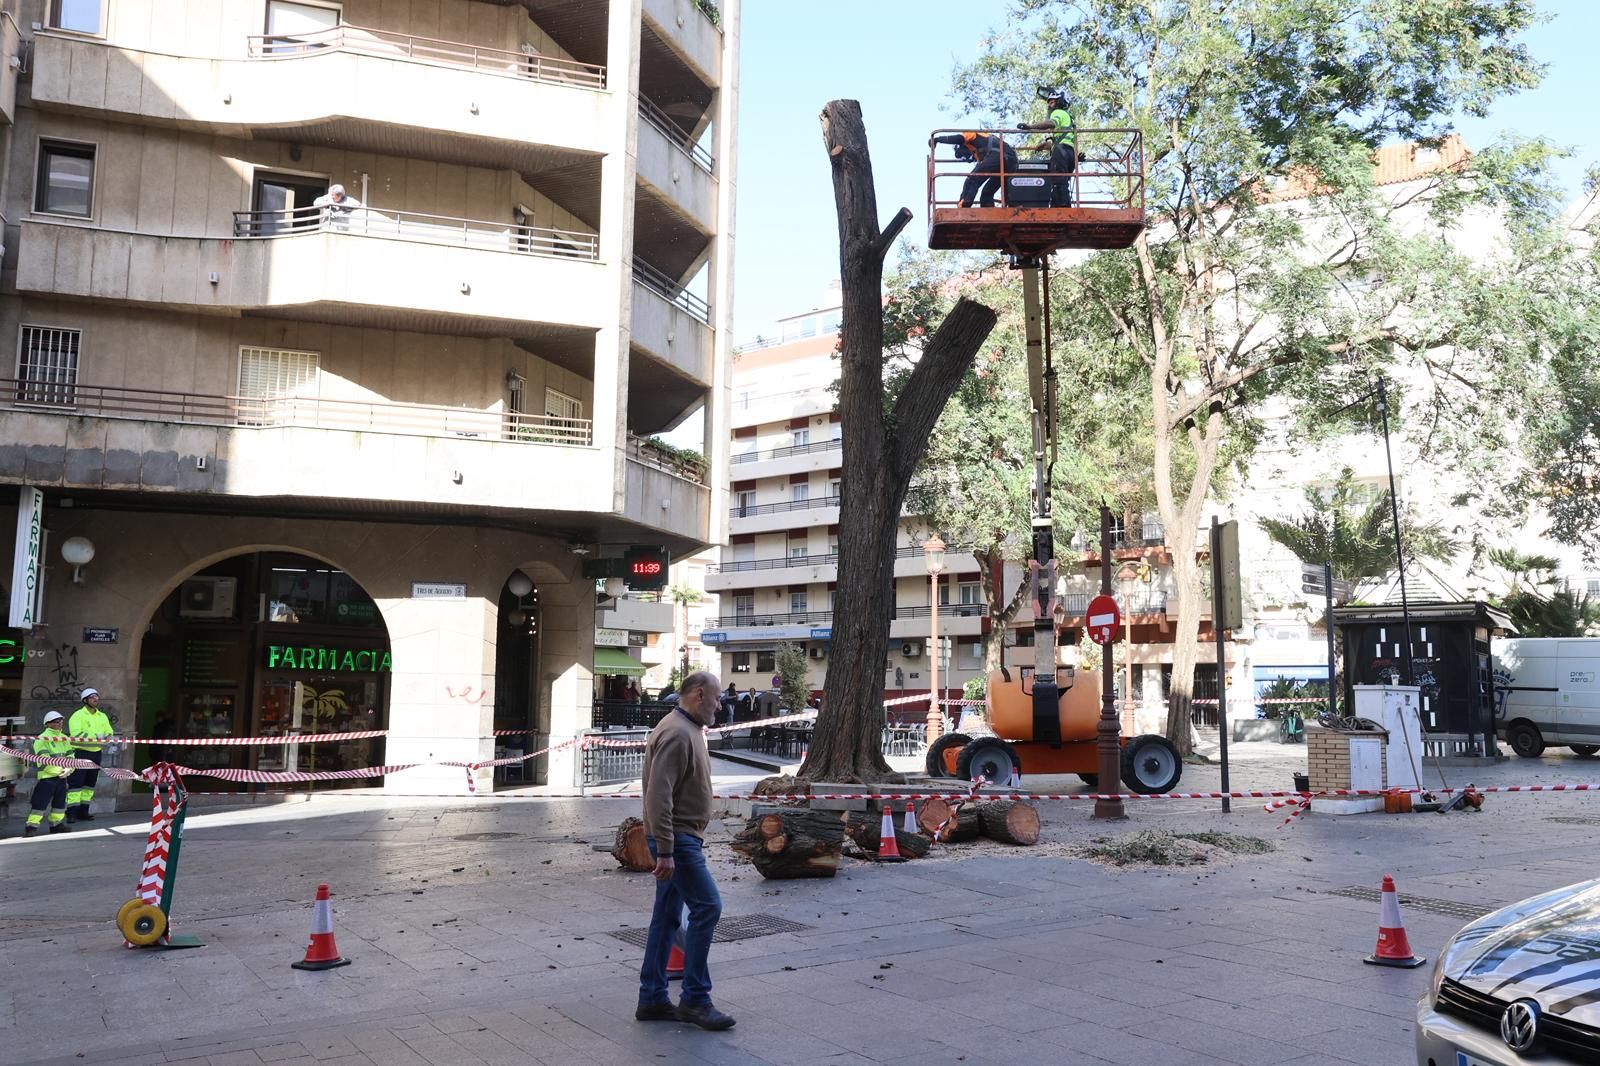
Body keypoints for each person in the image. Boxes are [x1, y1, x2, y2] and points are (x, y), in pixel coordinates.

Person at [636, 670, 734, 1030]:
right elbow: (658, 795)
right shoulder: (678, 733)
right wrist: (665, 850)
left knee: (665, 917)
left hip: (678, 838)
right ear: (697, 694)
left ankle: (652, 998)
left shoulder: (685, 728)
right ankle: (694, 998)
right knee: (708, 906)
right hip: (678, 840)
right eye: (716, 698)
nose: (720, 706)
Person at [1019, 87, 1076, 207]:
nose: (1049, 105)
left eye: (1052, 102)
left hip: (1062, 152)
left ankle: (1062, 208)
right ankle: (1058, 205)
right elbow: (1065, 138)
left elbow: (1051, 123)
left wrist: (1030, 127)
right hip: (1070, 153)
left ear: (1059, 102)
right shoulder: (1068, 118)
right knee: (1062, 181)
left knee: (1058, 180)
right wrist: (1048, 146)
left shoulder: (1058, 112)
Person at [933, 130, 1019, 208]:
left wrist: (938, 140)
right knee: (987, 192)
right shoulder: (982, 150)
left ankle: (964, 206)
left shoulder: (970, 134)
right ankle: (989, 214)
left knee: (972, 178)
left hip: (999, 155)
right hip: (1011, 162)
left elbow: (958, 138)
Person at [66, 687, 112, 821]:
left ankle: (83, 811)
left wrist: (108, 736)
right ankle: (71, 812)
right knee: (76, 784)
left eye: (97, 697)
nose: (96, 699)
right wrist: (96, 737)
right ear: (85, 700)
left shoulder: (102, 716)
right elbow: (76, 734)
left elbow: (109, 730)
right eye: (92, 697)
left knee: (89, 784)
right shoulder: (77, 715)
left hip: (96, 753)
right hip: (80, 752)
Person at [25, 711, 74, 837]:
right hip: (47, 778)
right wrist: (61, 771)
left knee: (60, 803)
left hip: (62, 777)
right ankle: (31, 827)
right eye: (57, 721)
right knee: (39, 803)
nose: (60, 723)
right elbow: (44, 760)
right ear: (48, 724)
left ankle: (56, 825)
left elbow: (71, 756)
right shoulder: (42, 739)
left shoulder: (64, 738)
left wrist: (69, 769)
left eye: (61, 721)